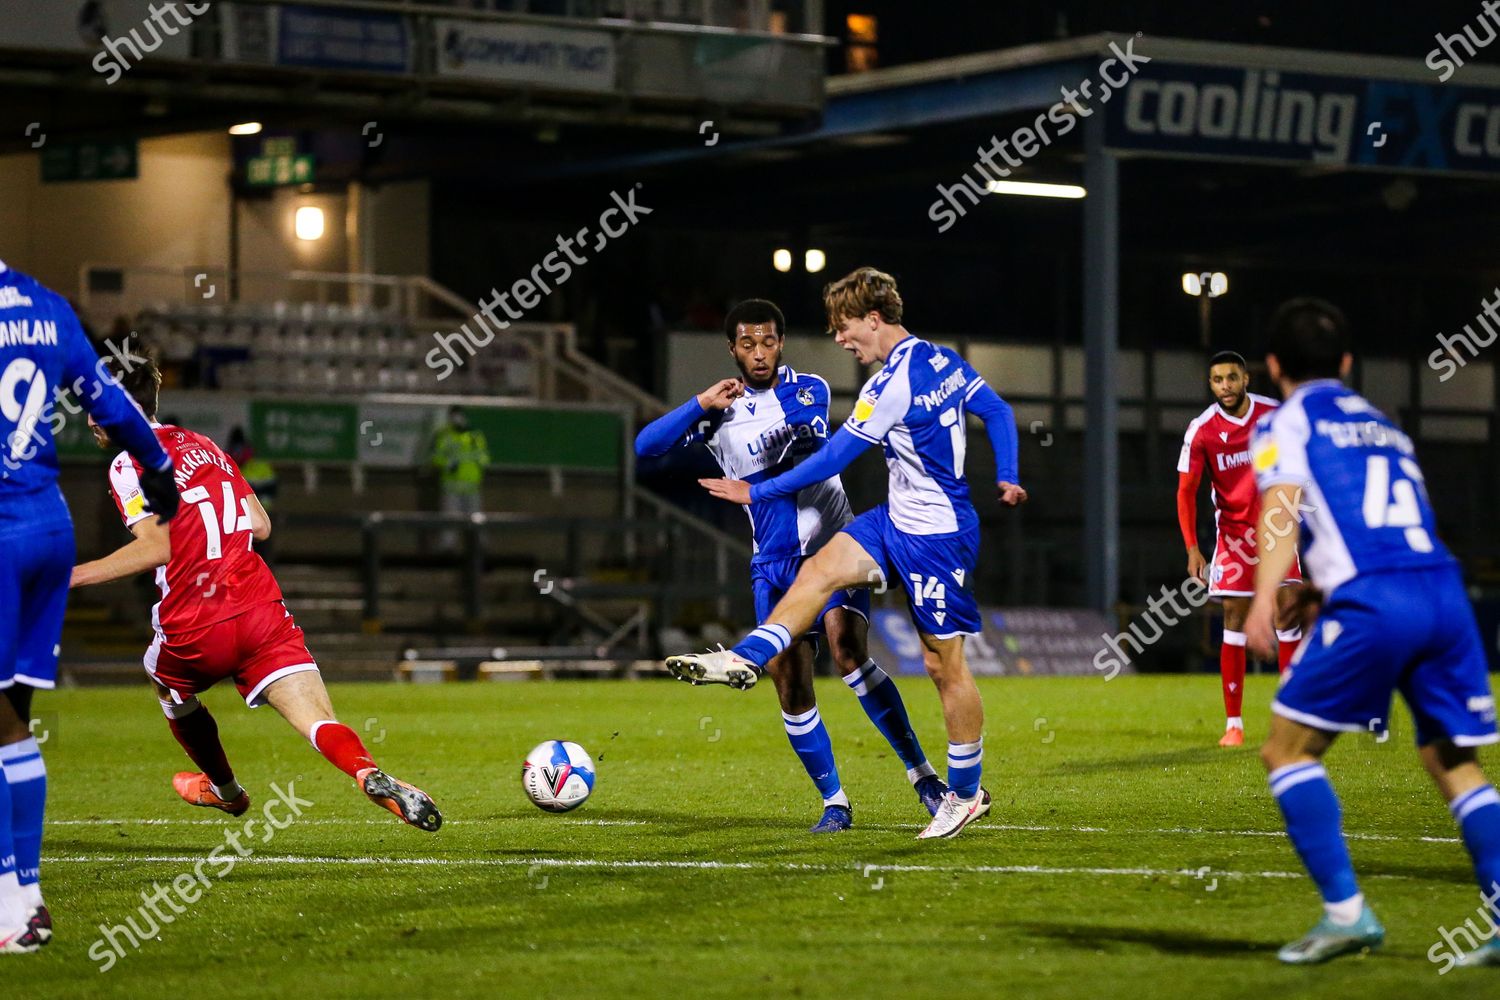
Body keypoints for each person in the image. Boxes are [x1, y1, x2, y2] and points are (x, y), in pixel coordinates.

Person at [666, 267, 1026, 840]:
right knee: (820, 571)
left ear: (873, 320)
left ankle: (964, 793)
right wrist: (1007, 474)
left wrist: (757, 490)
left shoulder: (890, 387)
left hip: (938, 536)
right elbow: (1001, 412)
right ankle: (747, 657)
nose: (839, 338)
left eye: (843, 326)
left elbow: (832, 460)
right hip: (891, 520)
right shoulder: (942, 360)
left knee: (942, 665)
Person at [72, 355, 441, 835]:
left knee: (165, 683)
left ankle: (225, 791)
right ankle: (366, 772)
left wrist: (70, 576)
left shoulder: (128, 463)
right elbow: (261, 525)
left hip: (195, 619)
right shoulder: (204, 444)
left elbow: (157, 547)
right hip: (258, 607)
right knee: (316, 720)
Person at [1245, 297, 1500, 965]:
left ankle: (1346, 914)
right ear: (1348, 362)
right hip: (1443, 592)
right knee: (1452, 760)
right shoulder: (1385, 425)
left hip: (1378, 601)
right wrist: (1320, 586)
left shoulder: (1285, 421)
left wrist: (1264, 595)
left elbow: (1281, 506)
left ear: (1273, 366)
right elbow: (1389, 523)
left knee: (1286, 752)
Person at [636, 298, 946, 832]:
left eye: (769, 341)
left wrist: (749, 489)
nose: (760, 353)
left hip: (832, 547)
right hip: (772, 563)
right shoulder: (719, 413)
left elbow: (806, 461)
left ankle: (924, 780)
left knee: (849, 654)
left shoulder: (809, 390)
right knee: (791, 684)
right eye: (748, 343)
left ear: (781, 342)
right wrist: (697, 404)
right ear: (731, 348)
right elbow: (646, 447)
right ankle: (835, 803)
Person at [0, 260, 181, 953]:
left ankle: (12, 905)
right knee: (14, 721)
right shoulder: (48, 306)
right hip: (50, 525)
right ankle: (26, 901)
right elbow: (111, 403)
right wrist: (159, 475)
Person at [1177, 350, 1306, 747]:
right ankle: (1234, 723)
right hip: (1233, 538)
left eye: (1232, 378)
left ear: (1246, 378)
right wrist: (1193, 548)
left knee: (1288, 612)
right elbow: (1186, 491)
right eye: (1217, 380)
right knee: (1233, 619)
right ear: (1211, 384)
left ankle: (1291, 716)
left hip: (1276, 531)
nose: (1225, 387)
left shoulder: (1273, 414)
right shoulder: (1201, 430)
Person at [430, 405, 490, 552]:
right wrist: (448, 464)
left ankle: (481, 547)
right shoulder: (444, 436)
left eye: (459, 415)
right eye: (454, 416)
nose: (457, 419)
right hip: (451, 485)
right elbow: (435, 457)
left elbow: (484, 458)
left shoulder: (476, 437)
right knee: (450, 519)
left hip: (472, 485)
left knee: (476, 518)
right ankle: (447, 548)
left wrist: (479, 467)